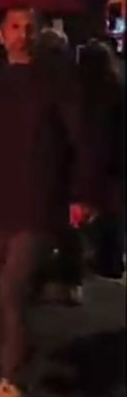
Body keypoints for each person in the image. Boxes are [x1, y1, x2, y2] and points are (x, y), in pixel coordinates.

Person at [0, 6, 101, 397]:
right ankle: (11, 360)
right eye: (15, 27)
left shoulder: (59, 84)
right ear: (2, 35)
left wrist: (83, 194)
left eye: (30, 28)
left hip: (39, 202)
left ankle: (13, 377)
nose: (22, 34)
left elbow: (84, 140)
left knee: (13, 289)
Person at [76, 39, 125, 281]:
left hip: (96, 158)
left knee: (96, 211)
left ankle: (100, 257)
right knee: (114, 211)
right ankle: (112, 259)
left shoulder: (84, 93)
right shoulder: (116, 87)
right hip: (116, 160)